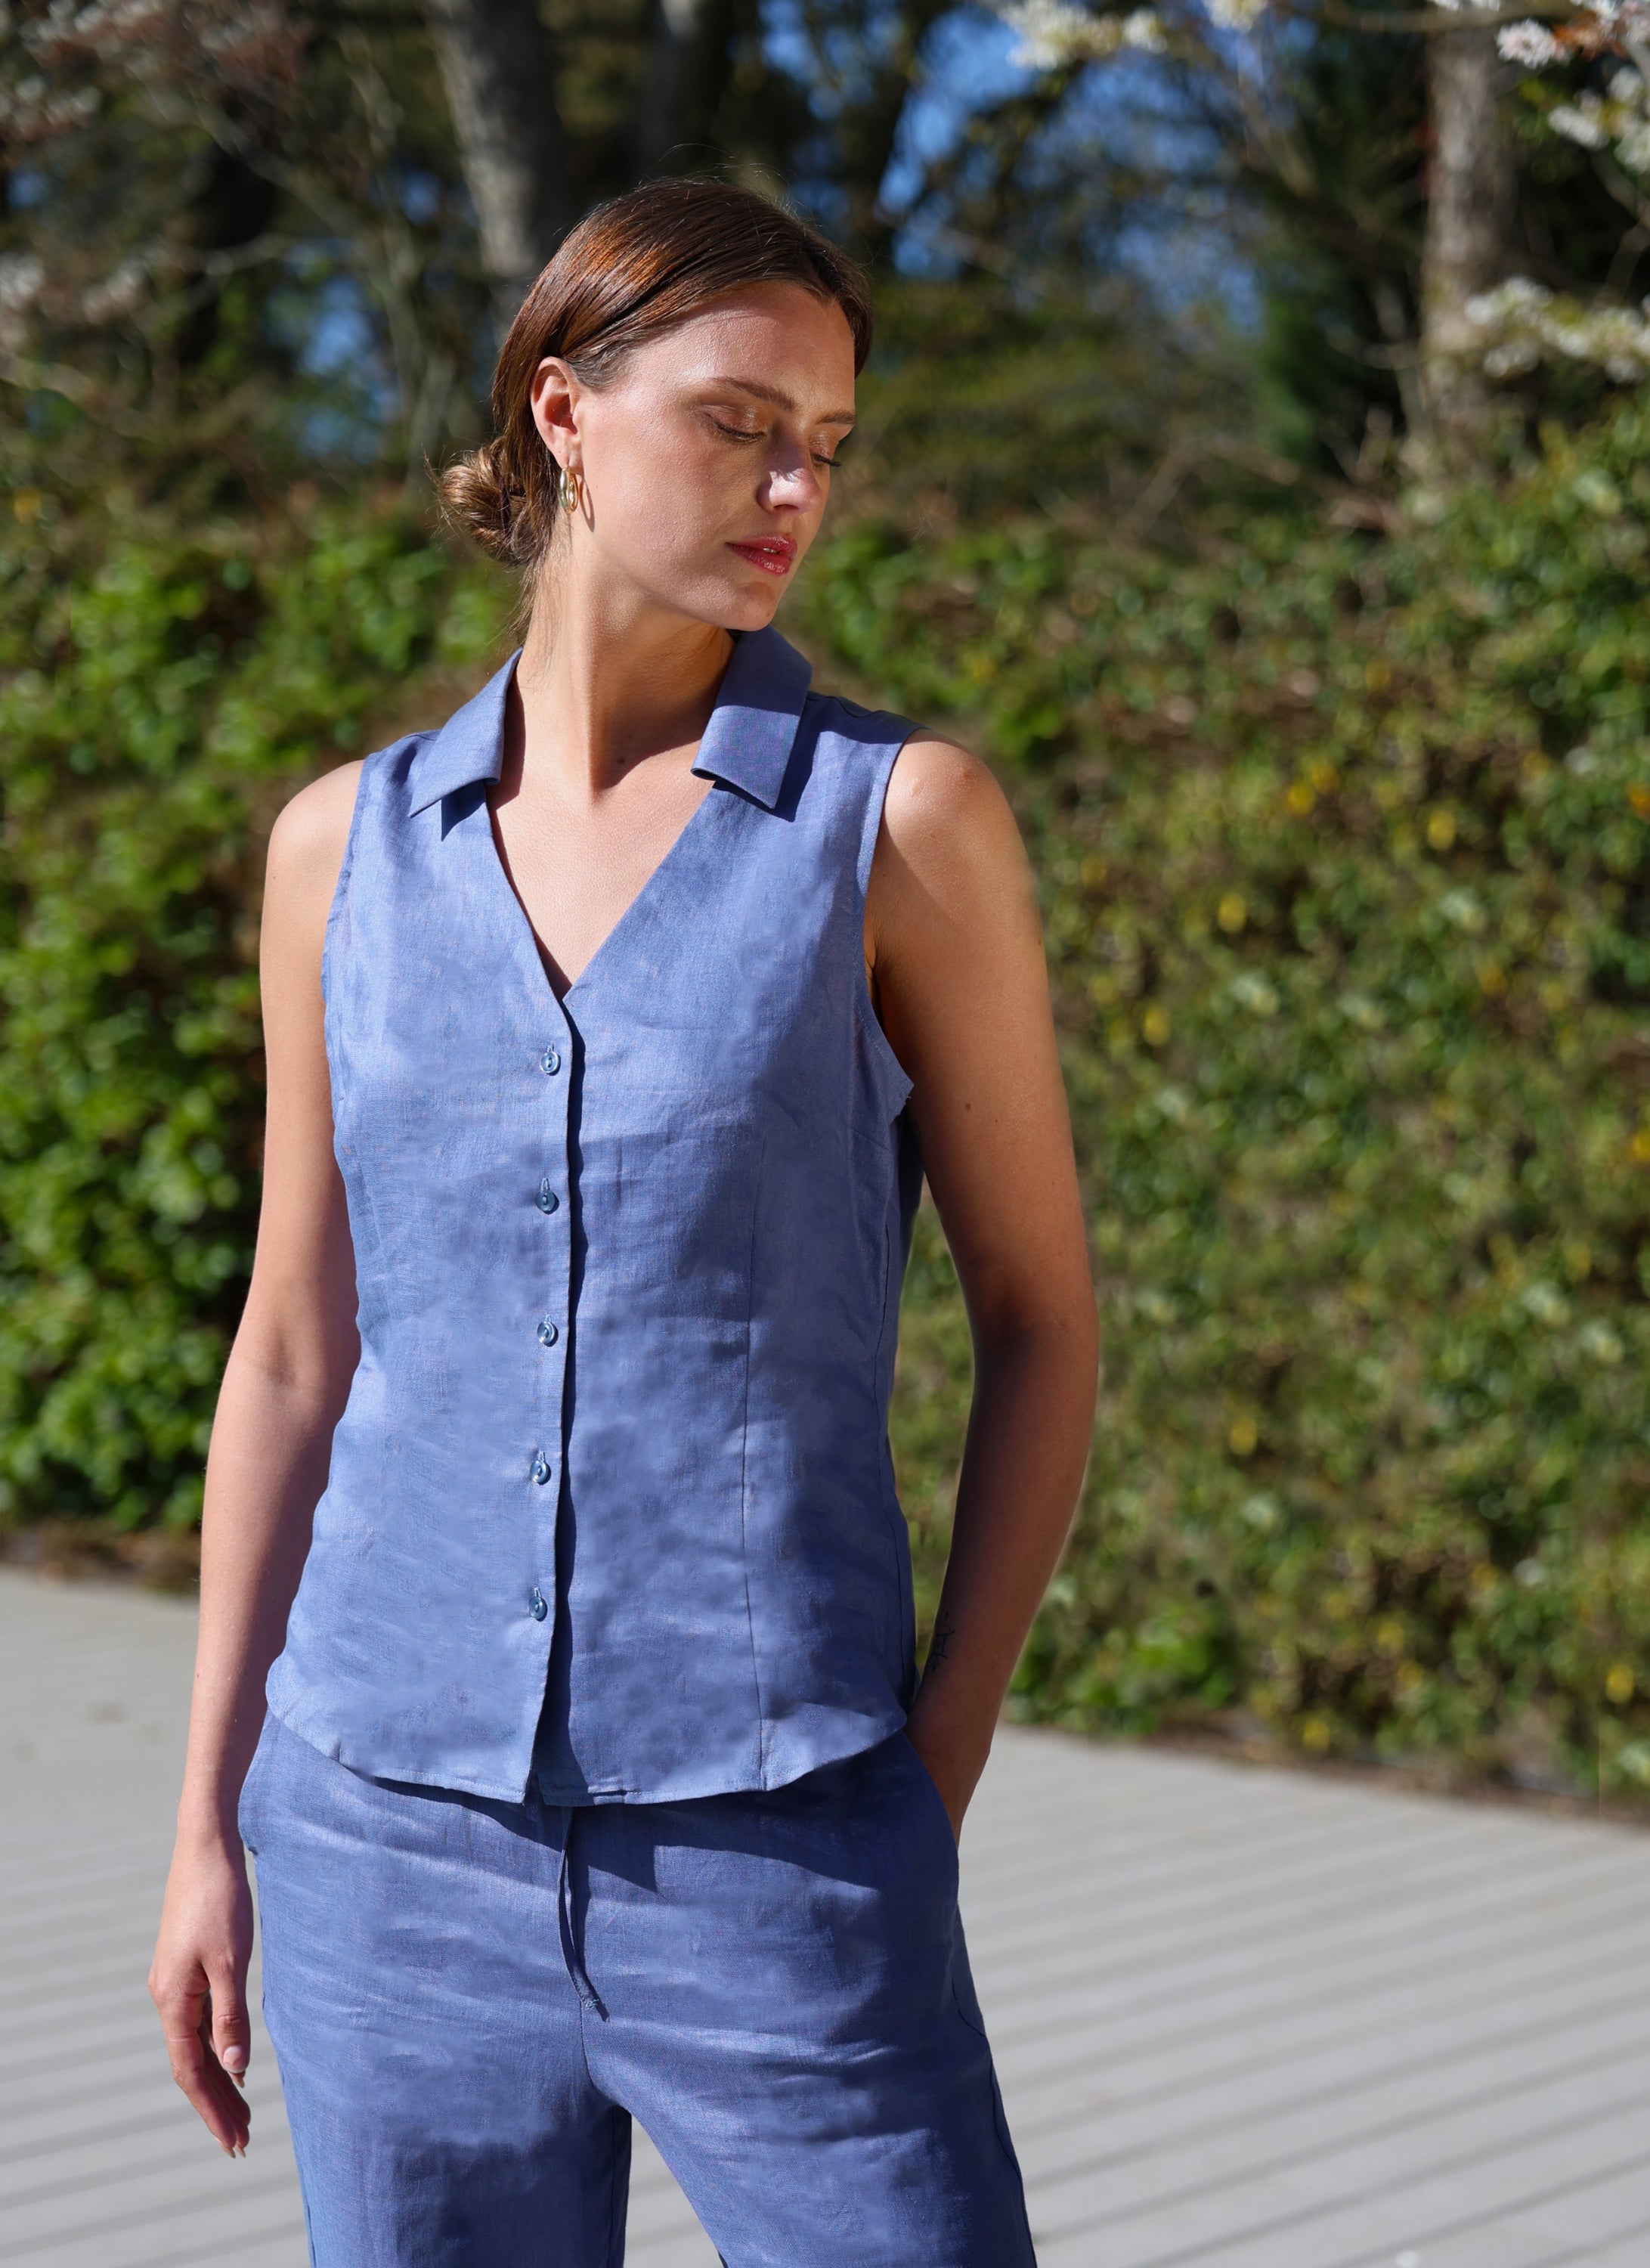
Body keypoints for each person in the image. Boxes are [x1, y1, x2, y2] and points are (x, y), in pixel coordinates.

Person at [148, 177, 1098, 2266]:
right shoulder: (344, 853)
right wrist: (209, 1820)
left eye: (827, 444)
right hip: (381, 1844)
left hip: (785, 1845)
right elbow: (294, 1347)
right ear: (563, 414)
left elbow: (1042, 1320)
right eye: (740, 423)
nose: (794, 489)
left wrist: (925, 1779)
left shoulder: (899, 825)